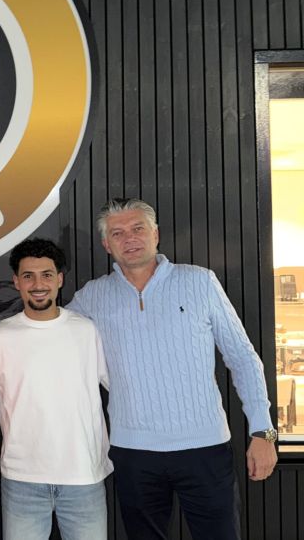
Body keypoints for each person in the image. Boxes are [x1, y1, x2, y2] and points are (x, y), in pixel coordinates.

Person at [67, 198, 277, 540]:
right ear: (106, 244)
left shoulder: (200, 282)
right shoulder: (93, 295)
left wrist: (263, 432)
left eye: (138, 228)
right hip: (133, 453)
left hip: (205, 448)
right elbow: (44, 330)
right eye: (117, 233)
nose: (129, 238)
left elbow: (242, 356)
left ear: (156, 234)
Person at [0, 238, 111, 540]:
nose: (38, 284)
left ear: (60, 279)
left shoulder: (87, 331)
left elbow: (122, 387)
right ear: (16, 281)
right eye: (28, 276)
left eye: (46, 275)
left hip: (84, 478)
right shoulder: (2, 338)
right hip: (22, 481)